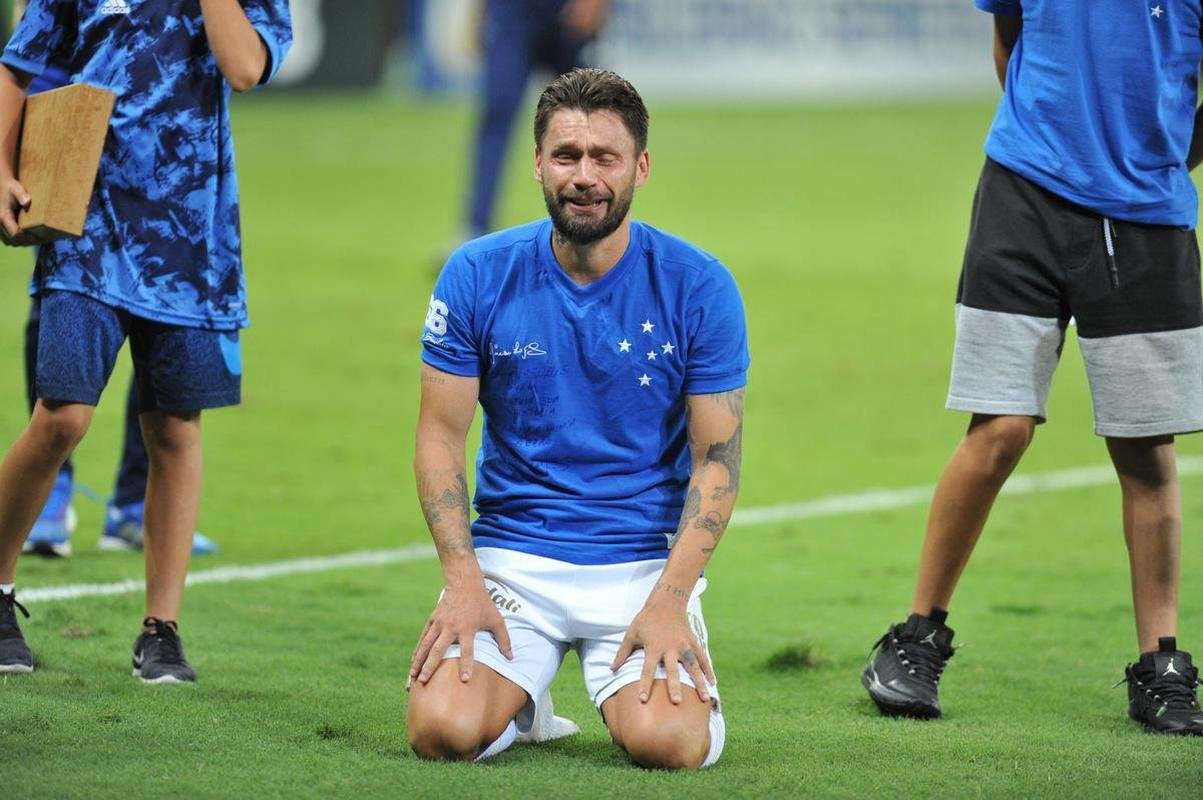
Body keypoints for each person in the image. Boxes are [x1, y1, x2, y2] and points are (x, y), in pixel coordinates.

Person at [862, 1, 1203, 735]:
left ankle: (1162, 670)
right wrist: (1050, 144)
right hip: (1022, 199)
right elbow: (1008, 36)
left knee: (1146, 450)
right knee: (1000, 428)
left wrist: (1158, 159)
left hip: (1149, 218)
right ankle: (914, 638)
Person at [407, 68, 748, 768]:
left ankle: (633, 683)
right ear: (537, 162)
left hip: (641, 563)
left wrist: (670, 599)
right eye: (566, 156)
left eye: (604, 158)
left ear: (640, 167)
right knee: (440, 732)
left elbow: (717, 463)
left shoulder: (699, 286)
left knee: (666, 744)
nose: (583, 176)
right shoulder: (476, 273)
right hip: (512, 558)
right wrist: (463, 579)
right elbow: (440, 435)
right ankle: (523, 704)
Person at [0, 0, 291, 681]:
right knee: (62, 417)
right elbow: (16, 67)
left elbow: (244, 68)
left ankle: (161, 630)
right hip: (86, 226)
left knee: (174, 430)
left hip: (194, 239)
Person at [462, 0, 608, 240]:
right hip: (511, 10)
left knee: (588, 114)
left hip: (565, 9)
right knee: (497, 111)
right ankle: (476, 229)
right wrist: (481, 11)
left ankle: (597, 227)